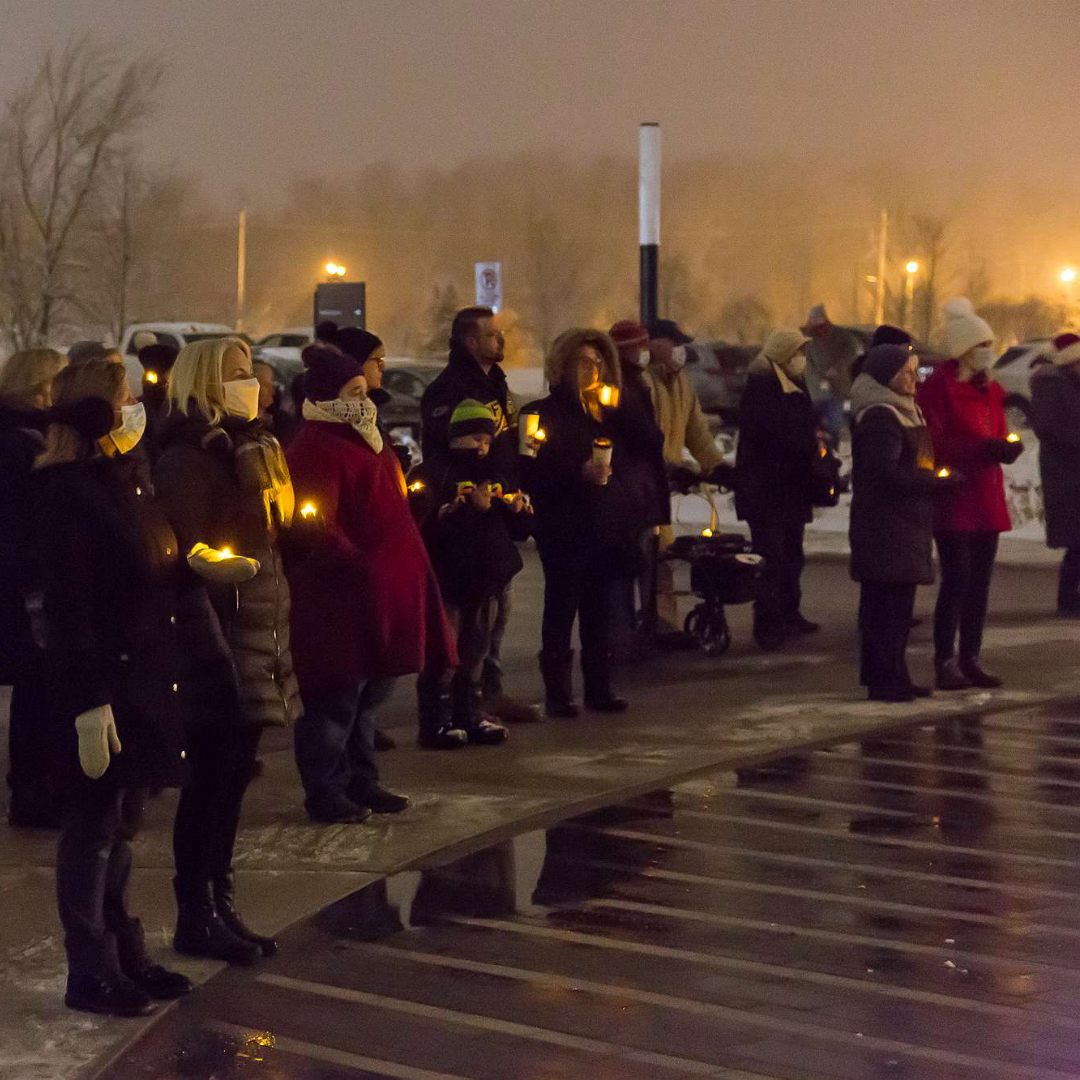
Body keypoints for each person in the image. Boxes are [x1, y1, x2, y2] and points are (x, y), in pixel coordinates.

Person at [34, 360, 191, 1016]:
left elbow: (144, 565)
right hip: (99, 681)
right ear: (98, 413)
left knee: (124, 821)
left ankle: (127, 949)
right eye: (125, 399)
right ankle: (89, 966)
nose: (136, 410)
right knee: (93, 825)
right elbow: (68, 607)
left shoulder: (118, 482)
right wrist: (88, 701)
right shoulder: (66, 491)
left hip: (140, 675)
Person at [154, 336, 300, 962]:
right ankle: (198, 912)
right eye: (239, 374)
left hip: (255, 627)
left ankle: (222, 901)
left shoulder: (251, 446)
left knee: (234, 776)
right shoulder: (191, 454)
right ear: (208, 381)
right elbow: (196, 545)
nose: (256, 383)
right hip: (216, 633)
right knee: (212, 779)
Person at [286, 347, 455, 810]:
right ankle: (327, 788)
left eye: (364, 392)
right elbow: (314, 523)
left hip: (381, 592)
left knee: (367, 699)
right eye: (353, 392)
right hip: (343, 597)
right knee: (337, 699)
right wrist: (359, 563)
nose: (364, 401)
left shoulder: (367, 440)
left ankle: (361, 779)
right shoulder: (316, 449)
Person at [421, 307, 541, 724]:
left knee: (497, 606)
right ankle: (452, 700)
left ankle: (485, 690)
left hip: (495, 509)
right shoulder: (449, 388)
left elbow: (501, 440)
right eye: (492, 335)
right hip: (465, 514)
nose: (500, 340)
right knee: (463, 614)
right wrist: (466, 490)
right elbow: (445, 450)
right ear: (471, 341)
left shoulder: (496, 383)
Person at [524, 329, 636, 717]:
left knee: (599, 610)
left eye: (599, 363)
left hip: (602, 527)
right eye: (585, 362)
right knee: (561, 608)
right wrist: (577, 471)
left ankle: (599, 686)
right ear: (564, 365)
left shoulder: (603, 413)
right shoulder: (538, 414)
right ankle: (558, 693)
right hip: (563, 527)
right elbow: (528, 466)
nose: (593, 370)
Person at [918, 298, 1019, 690]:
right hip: (956, 494)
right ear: (963, 349)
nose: (987, 351)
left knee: (980, 582)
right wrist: (982, 449)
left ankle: (970, 656)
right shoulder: (938, 389)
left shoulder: (990, 388)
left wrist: (1006, 448)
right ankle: (945, 659)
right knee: (957, 578)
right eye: (981, 344)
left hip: (986, 495)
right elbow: (934, 440)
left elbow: (998, 431)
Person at [850, 344, 956, 701]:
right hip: (886, 526)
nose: (914, 379)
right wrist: (935, 484)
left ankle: (896, 674)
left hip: (904, 524)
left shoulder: (905, 411)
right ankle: (884, 679)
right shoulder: (882, 416)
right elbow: (884, 474)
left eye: (915, 372)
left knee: (898, 609)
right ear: (887, 376)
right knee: (885, 608)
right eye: (907, 373)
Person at [418, 399, 524, 743]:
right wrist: (462, 510)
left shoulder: (494, 475)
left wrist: (518, 510)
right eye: (475, 437)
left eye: (487, 439)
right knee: (445, 653)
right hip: (450, 578)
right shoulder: (437, 473)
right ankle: (436, 720)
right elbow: (429, 525)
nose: (482, 446)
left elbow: (515, 528)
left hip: (486, 577)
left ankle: (470, 713)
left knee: (475, 651)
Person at [0, 348, 67, 826]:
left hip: (26, 581)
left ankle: (34, 787)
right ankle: (31, 792)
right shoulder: (20, 443)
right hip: (27, 586)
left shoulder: (27, 436)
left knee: (37, 687)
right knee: (36, 687)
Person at [735, 329, 821, 645]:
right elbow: (770, 435)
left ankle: (789, 610)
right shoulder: (762, 388)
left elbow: (804, 425)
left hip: (791, 487)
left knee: (792, 554)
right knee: (771, 556)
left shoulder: (794, 385)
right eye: (798, 352)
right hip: (766, 489)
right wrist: (805, 446)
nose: (803, 359)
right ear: (784, 355)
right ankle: (768, 621)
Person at [643, 319, 729, 633]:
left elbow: (697, 433)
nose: (681, 350)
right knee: (647, 557)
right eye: (674, 342)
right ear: (654, 344)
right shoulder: (644, 383)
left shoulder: (680, 383)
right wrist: (673, 466)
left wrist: (716, 465)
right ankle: (650, 625)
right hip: (644, 484)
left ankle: (663, 623)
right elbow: (644, 437)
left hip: (664, 485)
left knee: (662, 555)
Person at [606, 321, 669, 648]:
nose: (646, 351)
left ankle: (629, 631)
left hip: (632, 489)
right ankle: (623, 635)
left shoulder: (628, 384)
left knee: (631, 563)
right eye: (641, 346)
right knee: (627, 564)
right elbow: (647, 437)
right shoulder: (624, 388)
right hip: (631, 491)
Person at [1029, 333, 1080, 616]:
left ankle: (1071, 596)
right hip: (1065, 471)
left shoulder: (1071, 384)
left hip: (1073, 468)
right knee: (1076, 539)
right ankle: (1068, 598)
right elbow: (1048, 427)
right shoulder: (1051, 383)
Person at [803, 305, 861, 448]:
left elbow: (852, 352)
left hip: (837, 392)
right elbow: (806, 364)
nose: (820, 330)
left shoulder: (842, 336)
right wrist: (817, 380)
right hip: (815, 393)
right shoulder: (809, 341)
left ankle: (832, 452)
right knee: (813, 428)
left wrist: (838, 368)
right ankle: (818, 454)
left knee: (834, 426)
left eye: (822, 325)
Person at [253, 359, 298, 446]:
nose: (273, 391)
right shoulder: (239, 428)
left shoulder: (282, 421)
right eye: (266, 386)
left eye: (272, 385)